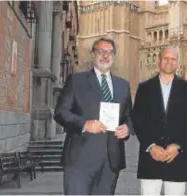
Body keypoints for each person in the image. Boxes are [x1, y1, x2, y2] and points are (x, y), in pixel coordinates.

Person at [54, 38, 132, 195]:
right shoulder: (77, 80)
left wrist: (128, 128)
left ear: (114, 56)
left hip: (110, 162)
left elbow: (128, 116)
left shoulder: (123, 85)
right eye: (101, 51)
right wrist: (84, 124)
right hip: (80, 160)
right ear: (93, 54)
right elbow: (60, 112)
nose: (105, 56)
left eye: (109, 52)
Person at [132, 47, 187, 195]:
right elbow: (138, 119)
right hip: (151, 157)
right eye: (165, 58)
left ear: (177, 62)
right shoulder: (144, 88)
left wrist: (178, 145)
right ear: (158, 61)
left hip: (178, 157)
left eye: (173, 59)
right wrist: (151, 146)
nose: (169, 62)